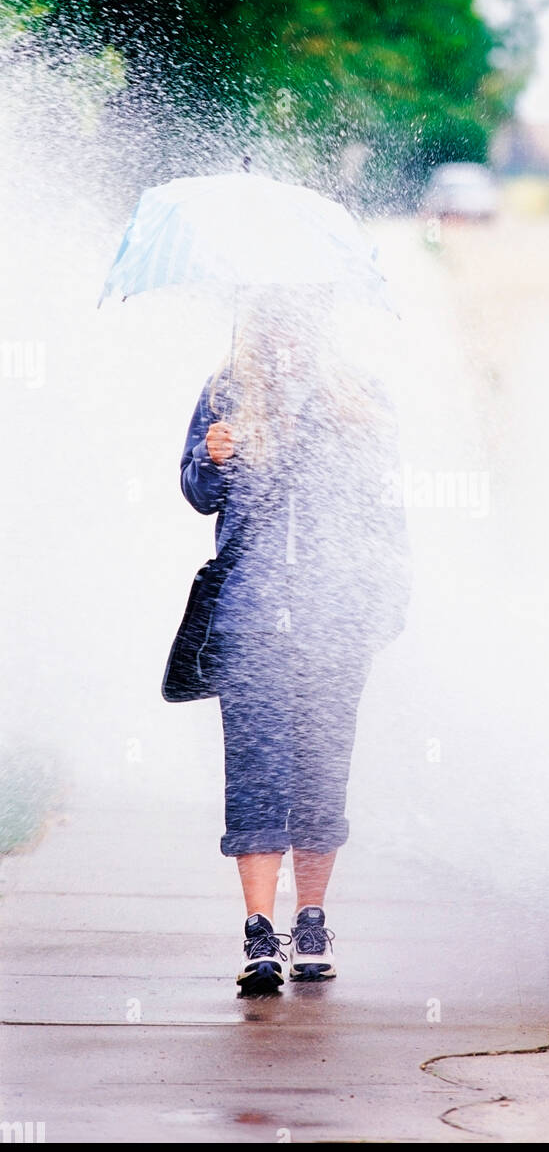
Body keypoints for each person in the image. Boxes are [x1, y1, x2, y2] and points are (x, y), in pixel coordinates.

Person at [179, 290, 411, 993]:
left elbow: (383, 509)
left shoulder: (360, 398)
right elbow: (196, 491)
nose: (287, 331)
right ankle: (258, 934)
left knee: (319, 770)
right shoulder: (225, 395)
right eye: (274, 316)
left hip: (335, 615)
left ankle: (310, 919)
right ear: (254, 323)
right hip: (250, 616)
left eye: (300, 316)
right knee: (255, 773)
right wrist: (212, 458)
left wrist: (386, 597)